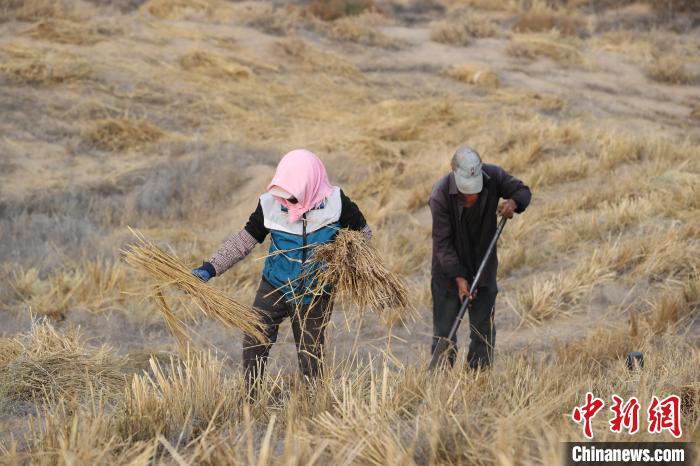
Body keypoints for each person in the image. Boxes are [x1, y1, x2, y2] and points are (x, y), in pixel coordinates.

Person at [192, 149, 371, 389]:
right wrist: (210, 268)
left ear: (309, 184)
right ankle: (251, 395)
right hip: (274, 286)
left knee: (311, 353)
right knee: (254, 338)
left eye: (292, 196)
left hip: (315, 292)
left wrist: (339, 259)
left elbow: (363, 235)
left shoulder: (337, 204)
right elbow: (244, 241)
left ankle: (312, 400)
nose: (286, 202)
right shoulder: (270, 204)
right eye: (283, 195)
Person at [429, 145, 531, 370]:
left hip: (483, 269)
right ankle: (439, 382)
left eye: (475, 190)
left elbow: (524, 191)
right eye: (467, 191)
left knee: (482, 331)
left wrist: (513, 203)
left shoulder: (493, 177)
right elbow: (442, 245)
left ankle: (479, 379)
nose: (472, 195)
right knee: (445, 332)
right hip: (447, 274)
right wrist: (458, 277)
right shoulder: (440, 196)